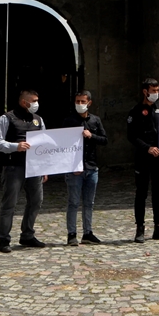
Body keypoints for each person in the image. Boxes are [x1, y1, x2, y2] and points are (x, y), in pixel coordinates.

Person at [0, 89, 48, 253]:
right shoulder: (7, 118)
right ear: (24, 102)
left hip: (34, 168)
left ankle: (27, 235)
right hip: (13, 167)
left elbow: (45, 143)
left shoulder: (38, 120)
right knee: (9, 204)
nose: (36, 104)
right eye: (34, 101)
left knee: (36, 201)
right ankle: (4, 239)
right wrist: (15, 146)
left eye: (37, 100)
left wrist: (45, 168)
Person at [126, 77, 159, 242]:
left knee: (158, 192)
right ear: (145, 91)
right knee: (141, 193)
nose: (156, 93)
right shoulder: (135, 111)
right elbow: (131, 136)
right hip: (143, 157)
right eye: (153, 91)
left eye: (157, 90)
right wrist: (147, 148)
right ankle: (140, 228)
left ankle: (158, 227)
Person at [61, 90, 108, 246]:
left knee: (89, 203)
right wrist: (70, 165)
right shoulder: (69, 121)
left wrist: (91, 136)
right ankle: (71, 234)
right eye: (77, 101)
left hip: (91, 167)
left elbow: (104, 140)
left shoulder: (95, 120)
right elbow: (62, 144)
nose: (80, 104)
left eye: (83, 101)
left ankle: (88, 233)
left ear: (89, 103)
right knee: (73, 202)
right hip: (74, 169)